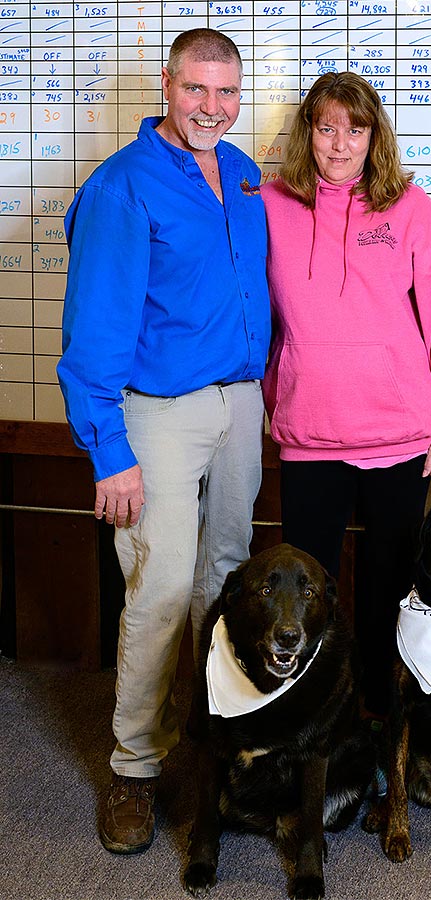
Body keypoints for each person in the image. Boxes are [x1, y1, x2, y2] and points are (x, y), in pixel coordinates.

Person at [57, 29, 270, 854]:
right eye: (196, 90)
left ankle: (216, 751)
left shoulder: (247, 177)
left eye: (225, 93)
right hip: (158, 414)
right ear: (167, 85)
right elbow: (93, 331)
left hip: (239, 407)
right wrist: (108, 448)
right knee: (160, 589)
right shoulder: (123, 186)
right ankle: (134, 769)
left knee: (224, 581)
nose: (210, 108)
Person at [260, 72, 431, 720]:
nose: (338, 143)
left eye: (352, 129)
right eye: (325, 127)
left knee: (390, 589)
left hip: (401, 435)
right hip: (310, 433)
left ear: (372, 135)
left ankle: (383, 729)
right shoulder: (268, 203)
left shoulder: (407, 206)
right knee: (303, 595)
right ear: (308, 132)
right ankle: (312, 726)